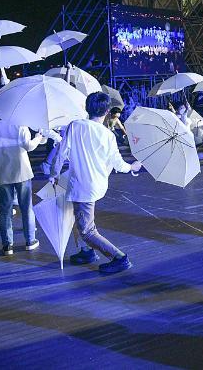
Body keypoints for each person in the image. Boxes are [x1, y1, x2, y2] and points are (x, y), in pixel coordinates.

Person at [50, 91, 143, 274]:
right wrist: (132, 167)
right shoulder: (108, 135)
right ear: (107, 111)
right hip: (95, 184)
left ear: (86, 107)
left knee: (87, 231)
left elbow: (61, 154)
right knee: (75, 215)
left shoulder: (75, 126)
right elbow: (118, 163)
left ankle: (119, 257)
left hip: (82, 186)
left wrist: (53, 174)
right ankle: (86, 251)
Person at [0, 120, 45, 254]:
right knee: (26, 208)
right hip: (21, 170)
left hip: (1, 171)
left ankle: (7, 245)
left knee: (5, 209)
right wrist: (38, 138)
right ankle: (30, 241)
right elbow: (28, 146)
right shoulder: (20, 124)